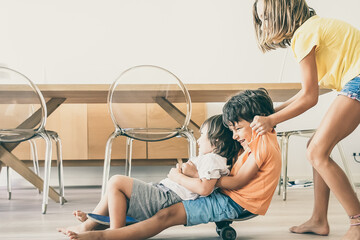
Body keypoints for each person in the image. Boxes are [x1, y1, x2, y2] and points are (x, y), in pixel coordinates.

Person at [64, 88, 282, 240]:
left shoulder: (263, 142)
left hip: (234, 201)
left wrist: (191, 176)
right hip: (227, 196)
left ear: (258, 120)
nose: (235, 136)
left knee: (163, 215)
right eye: (232, 130)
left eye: (238, 128)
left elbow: (236, 182)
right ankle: (97, 227)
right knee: (160, 214)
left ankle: (108, 234)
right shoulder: (260, 137)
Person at [250, 0, 360, 239]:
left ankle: (358, 223)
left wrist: (271, 121)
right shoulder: (313, 29)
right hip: (356, 79)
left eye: (267, 17)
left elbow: (310, 98)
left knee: (316, 152)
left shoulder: (304, 35)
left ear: (283, 13)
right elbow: (308, 92)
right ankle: (319, 220)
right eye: (261, 19)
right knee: (316, 148)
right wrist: (273, 115)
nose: (264, 24)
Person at [58, 114, 241, 233]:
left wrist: (180, 176)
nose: (198, 139)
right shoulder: (211, 158)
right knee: (116, 192)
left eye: (203, 135)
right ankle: (91, 223)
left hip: (168, 197)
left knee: (116, 182)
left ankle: (114, 232)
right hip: (164, 191)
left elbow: (205, 189)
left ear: (216, 141)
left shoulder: (213, 159)